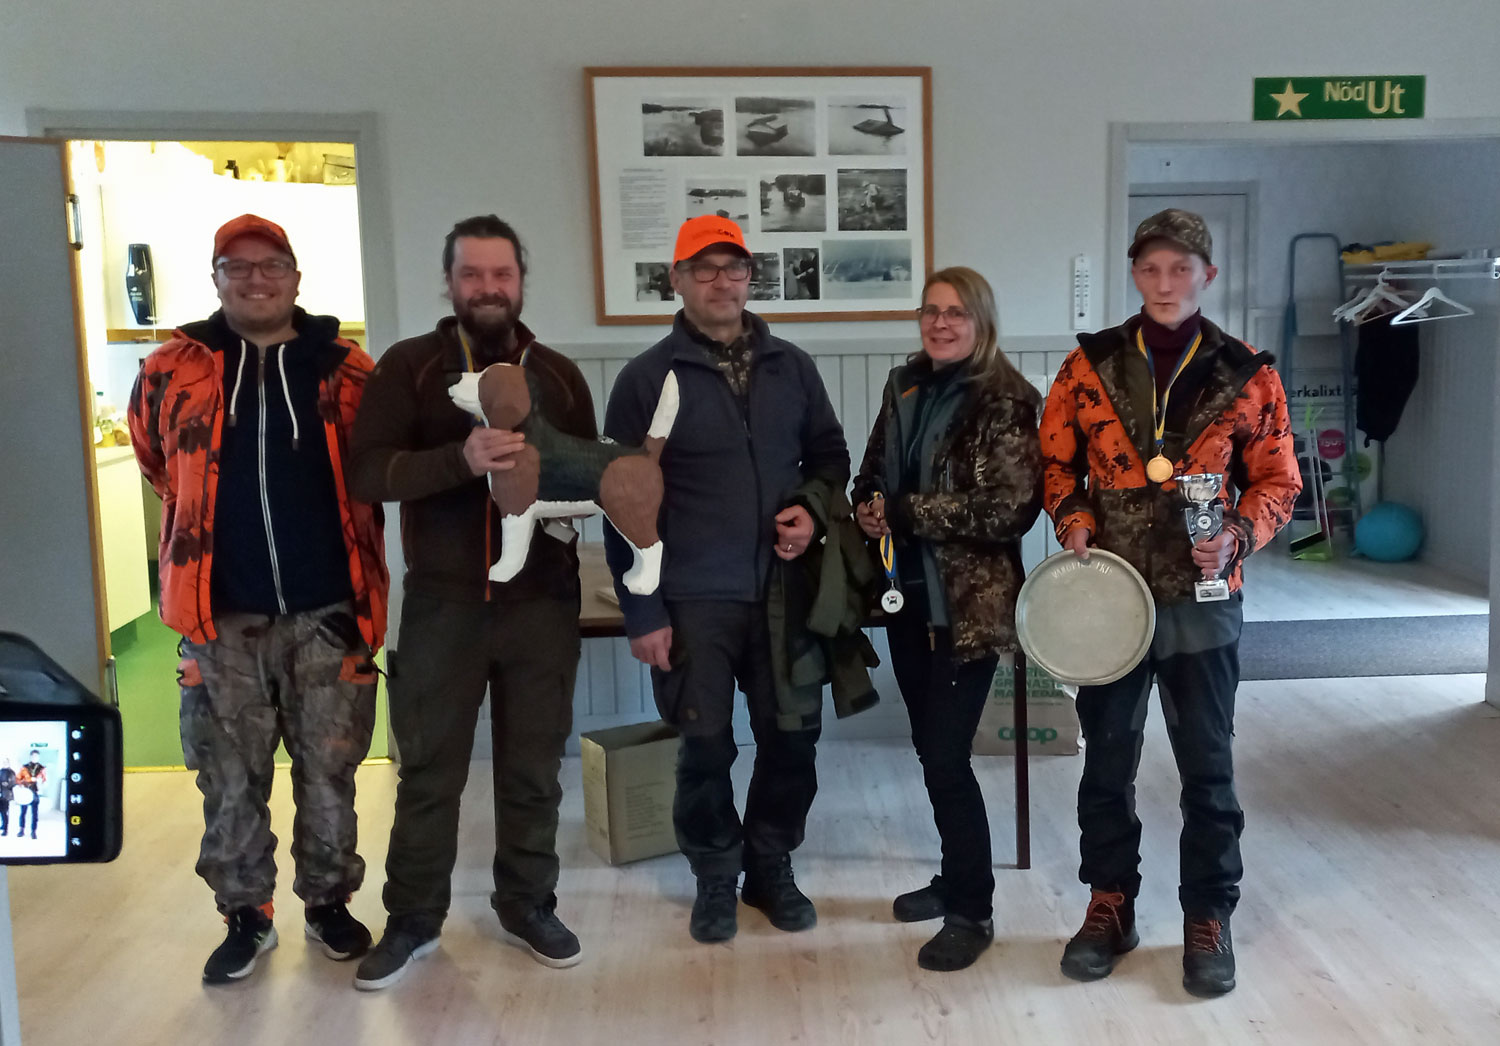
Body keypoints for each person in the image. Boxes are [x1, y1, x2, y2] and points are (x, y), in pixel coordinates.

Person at [1039, 209, 1301, 997]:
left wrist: (1237, 535)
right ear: (1134, 274)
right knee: (1106, 765)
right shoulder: (1088, 366)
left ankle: (1208, 915)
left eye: (1180, 269)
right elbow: (1056, 464)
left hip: (1203, 604)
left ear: (1206, 276)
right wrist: (1073, 517)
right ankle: (1109, 904)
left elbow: (1279, 481)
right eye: (1150, 268)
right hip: (1109, 602)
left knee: (1208, 769)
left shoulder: (1248, 372)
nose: (1164, 283)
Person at [127, 214, 389, 984]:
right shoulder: (172, 368)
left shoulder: (349, 370)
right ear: (215, 279)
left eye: (270, 264)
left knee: (329, 771)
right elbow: (156, 460)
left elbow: (377, 468)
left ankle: (329, 904)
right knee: (229, 776)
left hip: (329, 612)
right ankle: (247, 915)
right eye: (236, 267)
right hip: (219, 617)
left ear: (296, 277)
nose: (255, 278)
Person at [348, 215, 595, 989]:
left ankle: (528, 905)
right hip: (443, 606)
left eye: (501, 274)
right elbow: (368, 474)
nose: (489, 288)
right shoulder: (410, 367)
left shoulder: (559, 375)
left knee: (534, 772)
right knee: (428, 775)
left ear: (521, 280)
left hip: (542, 605)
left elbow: (586, 479)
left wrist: (567, 478)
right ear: (450, 282)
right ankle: (412, 919)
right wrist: (461, 459)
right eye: (472, 274)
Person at [604, 215, 849, 944]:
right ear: (676, 281)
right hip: (691, 597)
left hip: (783, 594)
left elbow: (829, 458)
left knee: (792, 739)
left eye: (733, 267)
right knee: (705, 746)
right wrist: (643, 610)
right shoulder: (645, 379)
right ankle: (715, 873)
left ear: (750, 277)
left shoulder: (792, 367)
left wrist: (811, 510)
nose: (721, 281)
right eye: (703, 268)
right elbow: (619, 503)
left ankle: (769, 865)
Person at [852, 267, 1042, 971]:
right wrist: (869, 504)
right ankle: (954, 874)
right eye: (931, 311)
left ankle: (972, 910)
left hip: (968, 610)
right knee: (932, 751)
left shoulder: (1007, 399)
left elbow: (1009, 510)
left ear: (981, 321)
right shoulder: (904, 386)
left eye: (956, 312)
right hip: (906, 599)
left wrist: (904, 512)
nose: (940, 323)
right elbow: (873, 473)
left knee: (944, 756)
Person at [15, 752, 44, 839]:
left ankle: (33, 831)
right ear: (30, 757)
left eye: (36, 756)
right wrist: (24, 782)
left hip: (35, 792)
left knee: (35, 813)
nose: (35, 758)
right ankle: (21, 830)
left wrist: (40, 782)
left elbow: (44, 779)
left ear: (38, 757)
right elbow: (18, 779)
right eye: (33, 756)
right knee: (23, 812)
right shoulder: (24, 767)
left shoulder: (41, 768)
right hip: (25, 791)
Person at [0, 758, 14, 837]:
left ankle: (5, 829)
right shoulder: (1, 771)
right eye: (3, 762)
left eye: (6, 762)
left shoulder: (11, 772)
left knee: (4, 812)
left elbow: (13, 782)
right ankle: (3, 825)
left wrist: (7, 784)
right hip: (1, 794)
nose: (4, 763)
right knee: (1, 812)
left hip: (6, 795)